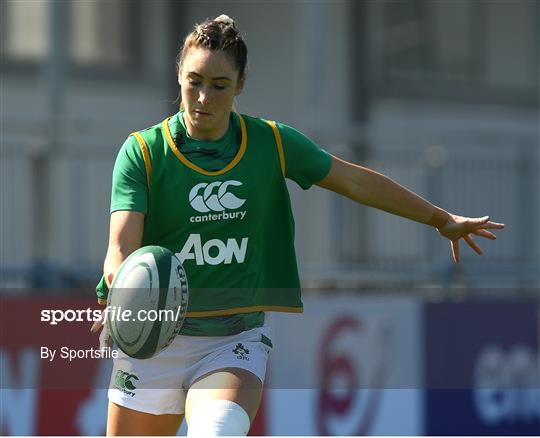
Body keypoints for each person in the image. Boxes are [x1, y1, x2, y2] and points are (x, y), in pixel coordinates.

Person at [90, 14, 504, 436]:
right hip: (153, 342)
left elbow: (354, 180)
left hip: (231, 341)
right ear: (178, 74)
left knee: (216, 431)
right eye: (194, 81)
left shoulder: (271, 143)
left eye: (219, 85)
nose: (203, 98)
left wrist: (441, 219)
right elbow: (120, 249)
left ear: (241, 85)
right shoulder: (142, 152)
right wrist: (124, 295)